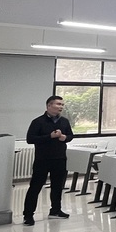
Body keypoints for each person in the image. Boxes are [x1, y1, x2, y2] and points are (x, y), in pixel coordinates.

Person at [23, 95, 74, 224]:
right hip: (43, 159)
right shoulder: (38, 122)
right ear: (49, 105)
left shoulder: (64, 121)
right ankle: (28, 215)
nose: (61, 107)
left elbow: (70, 135)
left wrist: (65, 138)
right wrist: (49, 136)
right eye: (58, 104)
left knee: (57, 186)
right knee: (35, 187)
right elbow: (30, 139)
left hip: (60, 159)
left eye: (62, 105)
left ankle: (55, 210)